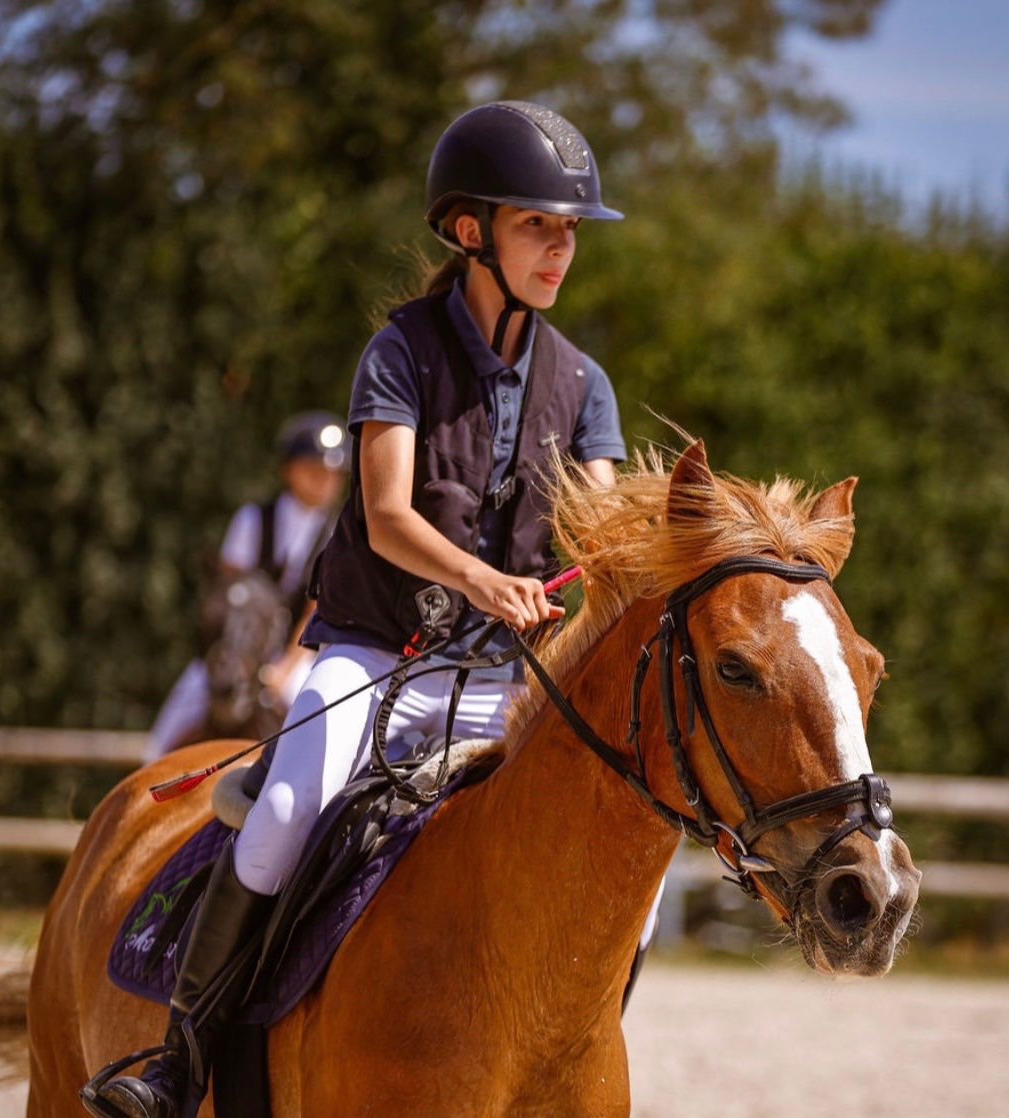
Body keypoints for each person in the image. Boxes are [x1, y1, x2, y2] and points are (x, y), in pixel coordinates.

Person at [84, 100, 627, 1118]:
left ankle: (560, 1067)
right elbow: (383, 514)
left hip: (506, 683)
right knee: (283, 811)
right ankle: (179, 1061)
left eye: (569, 230)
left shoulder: (584, 383)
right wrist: (481, 580)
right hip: (377, 651)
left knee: (613, 855)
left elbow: (600, 523)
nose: (561, 247)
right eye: (537, 225)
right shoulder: (401, 351)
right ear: (471, 231)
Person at [143, 412, 351, 763]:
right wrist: (230, 657)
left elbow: (316, 609)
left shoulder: (338, 533)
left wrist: (285, 668)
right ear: (288, 470)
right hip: (237, 648)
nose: (325, 480)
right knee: (164, 736)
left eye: (333, 473)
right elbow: (228, 593)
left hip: (294, 655)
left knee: (325, 729)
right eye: (314, 469)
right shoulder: (252, 519)